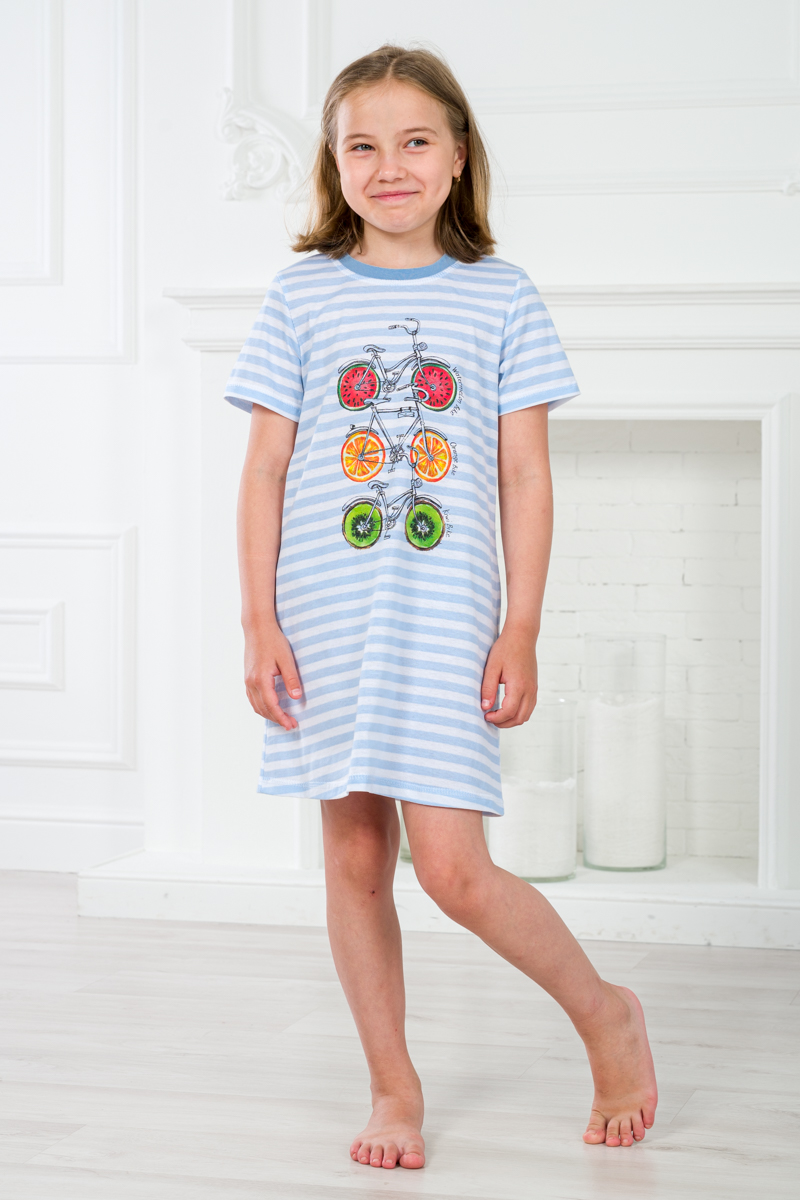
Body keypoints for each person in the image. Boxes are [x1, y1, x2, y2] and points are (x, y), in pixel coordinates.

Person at [226, 44, 657, 1171]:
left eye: (414, 141)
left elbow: (524, 474)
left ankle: (606, 1013)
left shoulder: (500, 296)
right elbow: (264, 468)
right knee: (355, 861)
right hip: (323, 623)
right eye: (361, 146)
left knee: (456, 871)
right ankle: (392, 1087)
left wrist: (521, 626)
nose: (389, 166)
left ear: (458, 156)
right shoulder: (302, 294)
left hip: (442, 623)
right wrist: (257, 621)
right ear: (334, 165)